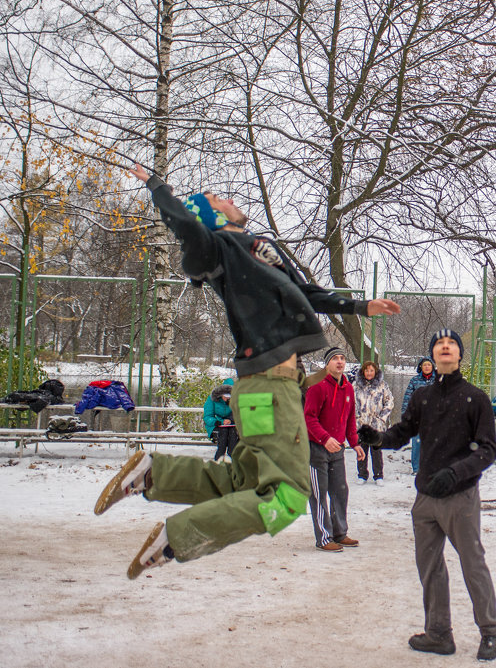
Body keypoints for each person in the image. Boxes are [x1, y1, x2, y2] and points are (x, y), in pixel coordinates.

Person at [95, 164, 400, 579]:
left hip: (264, 391)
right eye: (220, 199)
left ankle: (155, 474)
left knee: (245, 479)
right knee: (289, 496)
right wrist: (157, 187)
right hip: (270, 387)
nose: (231, 200)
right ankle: (178, 536)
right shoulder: (215, 248)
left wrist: (361, 306)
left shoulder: (261, 246)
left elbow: (306, 293)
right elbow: (184, 223)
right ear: (210, 215)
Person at [359, 329, 496, 661]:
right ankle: (439, 633)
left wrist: (456, 472)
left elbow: (488, 451)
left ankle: (490, 632)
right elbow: (404, 430)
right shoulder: (423, 397)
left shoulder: (476, 398)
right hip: (425, 500)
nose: (446, 347)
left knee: (473, 563)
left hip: (460, 497)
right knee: (430, 566)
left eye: (451, 343)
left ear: (460, 354)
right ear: (432, 356)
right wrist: (379, 439)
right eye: (439, 344)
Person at [304, 346, 366, 552]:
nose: (339, 362)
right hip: (316, 449)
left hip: (337, 449)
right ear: (327, 364)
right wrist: (324, 438)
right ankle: (323, 537)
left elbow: (349, 419)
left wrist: (355, 442)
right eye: (335, 359)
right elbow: (309, 418)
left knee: (340, 491)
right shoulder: (317, 387)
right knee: (319, 494)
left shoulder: (348, 388)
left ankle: (340, 533)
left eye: (342, 358)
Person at [353, 360, 394, 485]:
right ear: (363, 372)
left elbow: (389, 401)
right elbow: (350, 403)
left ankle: (378, 475)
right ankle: (362, 475)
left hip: (376, 424)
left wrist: (382, 418)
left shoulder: (382, 385)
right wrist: (356, 417)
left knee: (376, 451)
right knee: (361, 450)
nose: (369, 373)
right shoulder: (356, 386)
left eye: (371, 370)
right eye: (367, 370)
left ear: (375, 371)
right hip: (361, 424)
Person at [402, 357, 435, 473]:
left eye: (429, 365)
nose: (427, 367)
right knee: (417, 443)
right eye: (424, 365)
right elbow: (407, 398)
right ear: (421, 367)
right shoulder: (414, 381)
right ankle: (416, 468)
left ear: (432, 367)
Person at [203, 379, 238, 460]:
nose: (227, 399)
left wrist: (232, 420)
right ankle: (220, 456)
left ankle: (233, 456)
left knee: (233, 433)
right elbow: (207, 416)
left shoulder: (236, 400)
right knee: (224, 433)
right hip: (215, 424)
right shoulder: (212, 400)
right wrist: (219, 422)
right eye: (225, 396)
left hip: (231, 425)